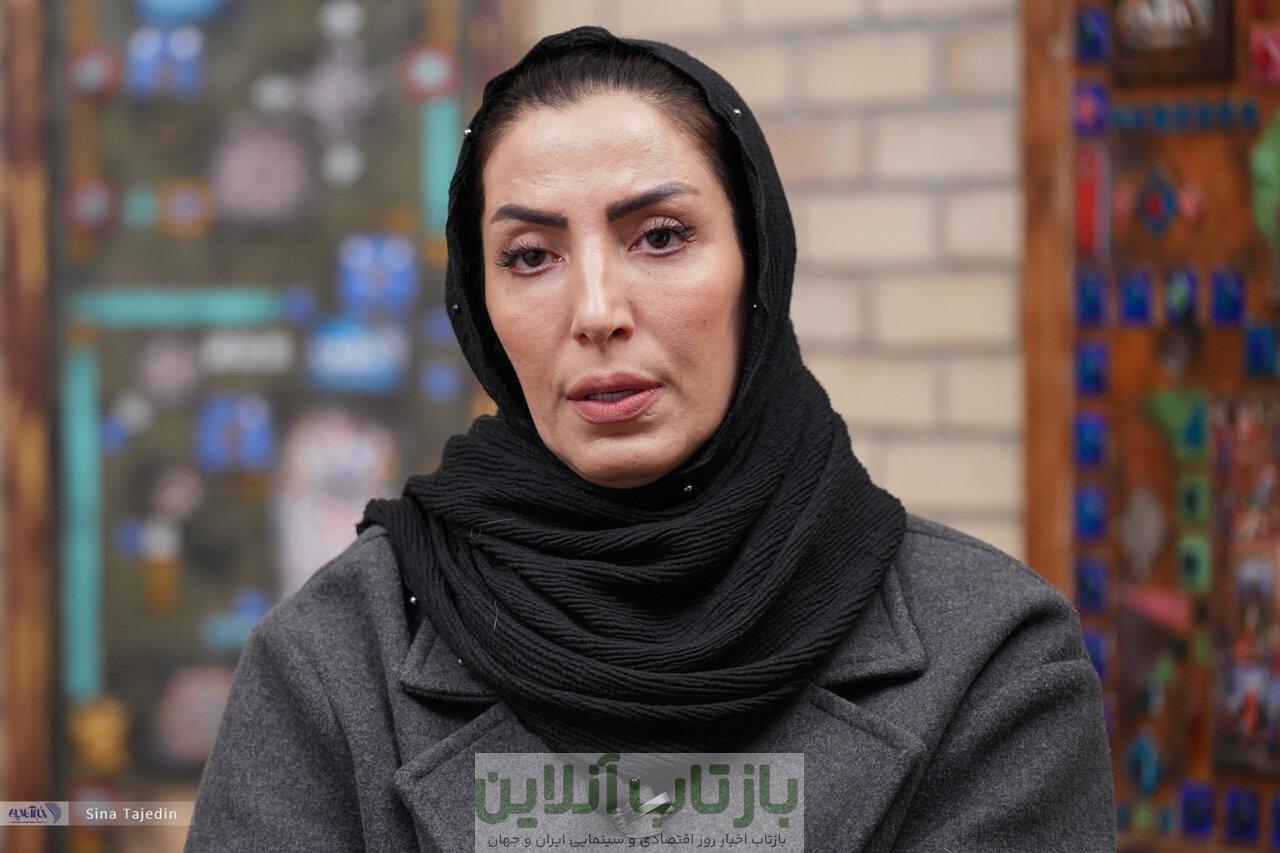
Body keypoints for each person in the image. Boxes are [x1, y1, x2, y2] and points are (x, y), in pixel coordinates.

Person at [186, 25, 1116, 852]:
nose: (597, 310)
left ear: (757, 261)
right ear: (479, 301)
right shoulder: (334, 662)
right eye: (530, 256)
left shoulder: (990, 660)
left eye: (660, 237)